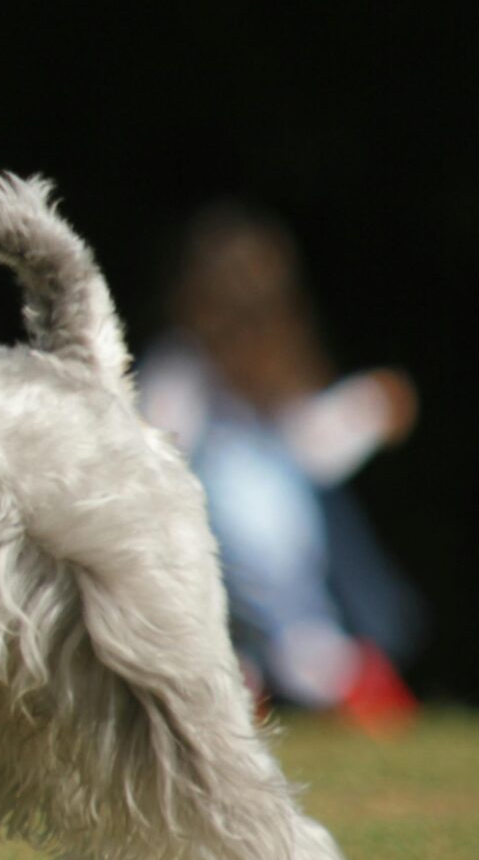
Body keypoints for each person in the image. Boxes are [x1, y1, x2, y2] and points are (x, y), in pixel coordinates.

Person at [140, 205, 424, 732]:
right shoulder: (196, 371)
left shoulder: (208, 372)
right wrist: (372, 407)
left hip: (243, 542)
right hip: (246, 540)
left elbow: (152, 446)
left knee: (287, 641)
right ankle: (320, 686)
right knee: (288, 639)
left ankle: (317, 687)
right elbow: (315, 446)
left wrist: (371, 406)